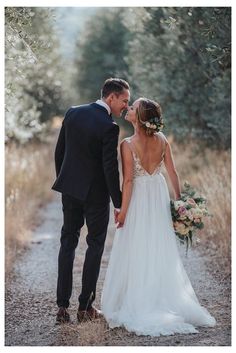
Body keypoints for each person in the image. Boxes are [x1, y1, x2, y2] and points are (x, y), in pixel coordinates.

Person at [101, 97, 216, 336]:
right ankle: (158, 295)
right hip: (159, 193)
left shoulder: (127, 144)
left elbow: (129, 180)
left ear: (140, 117)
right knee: (158, 244)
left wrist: (123, 210)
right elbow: (172, 171)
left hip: (141, 196)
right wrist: (181, 201)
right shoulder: (162, 140)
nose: (128, 109)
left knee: (137, 244)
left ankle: (141, 301)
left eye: (132, 108)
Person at [52, 78, 130, 323]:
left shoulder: (73, 113)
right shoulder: (109, 126)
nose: (125, 107)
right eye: (124, 101)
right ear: (111, 97)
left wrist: (65, 181)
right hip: (96, 197)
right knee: (94, 246)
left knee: (68, 243)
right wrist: (118, 202)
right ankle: (85, 308)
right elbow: (110, 169)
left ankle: (62, 308)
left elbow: (59, 152)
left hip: (70, 191)